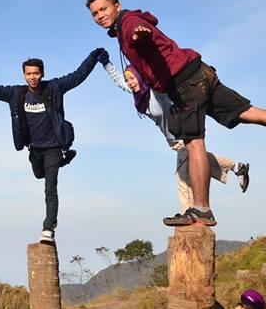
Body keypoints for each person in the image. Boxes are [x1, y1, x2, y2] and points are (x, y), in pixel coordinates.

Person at [86, 0, 266, 227]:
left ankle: (202, 210)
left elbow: (141, 31)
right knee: (249, 112)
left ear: (116, 6)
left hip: (185, 84)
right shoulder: (126, 25)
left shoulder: (129, 23)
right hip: (200, 73)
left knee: (194, 144)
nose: (100, 16)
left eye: (103, 9)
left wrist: (141, 34)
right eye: (95, 13)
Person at [0, 48, 108, 244]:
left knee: (50, 187)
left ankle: (48, 228)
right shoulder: (16, 94)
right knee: (39, 174)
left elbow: (78, 75)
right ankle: (64, 160)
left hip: (53, 146)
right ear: (24, 75)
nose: (32, 77)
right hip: (34, 149)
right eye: (29, 74)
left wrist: (94, 56)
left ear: (42, 73)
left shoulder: (54, 88)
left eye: (36, 73)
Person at [103, 61, 250, 217]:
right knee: (199, 159)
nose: (130, 83)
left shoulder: (155, 93)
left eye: (132, 78)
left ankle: (187, 212)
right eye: (128, 80)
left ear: (140, 77)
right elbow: (120, 81)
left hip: (182, 136)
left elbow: (154, 74)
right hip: (173, 141)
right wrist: (106, 63)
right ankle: (237, 167)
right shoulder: (140, 95)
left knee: (183, 177)